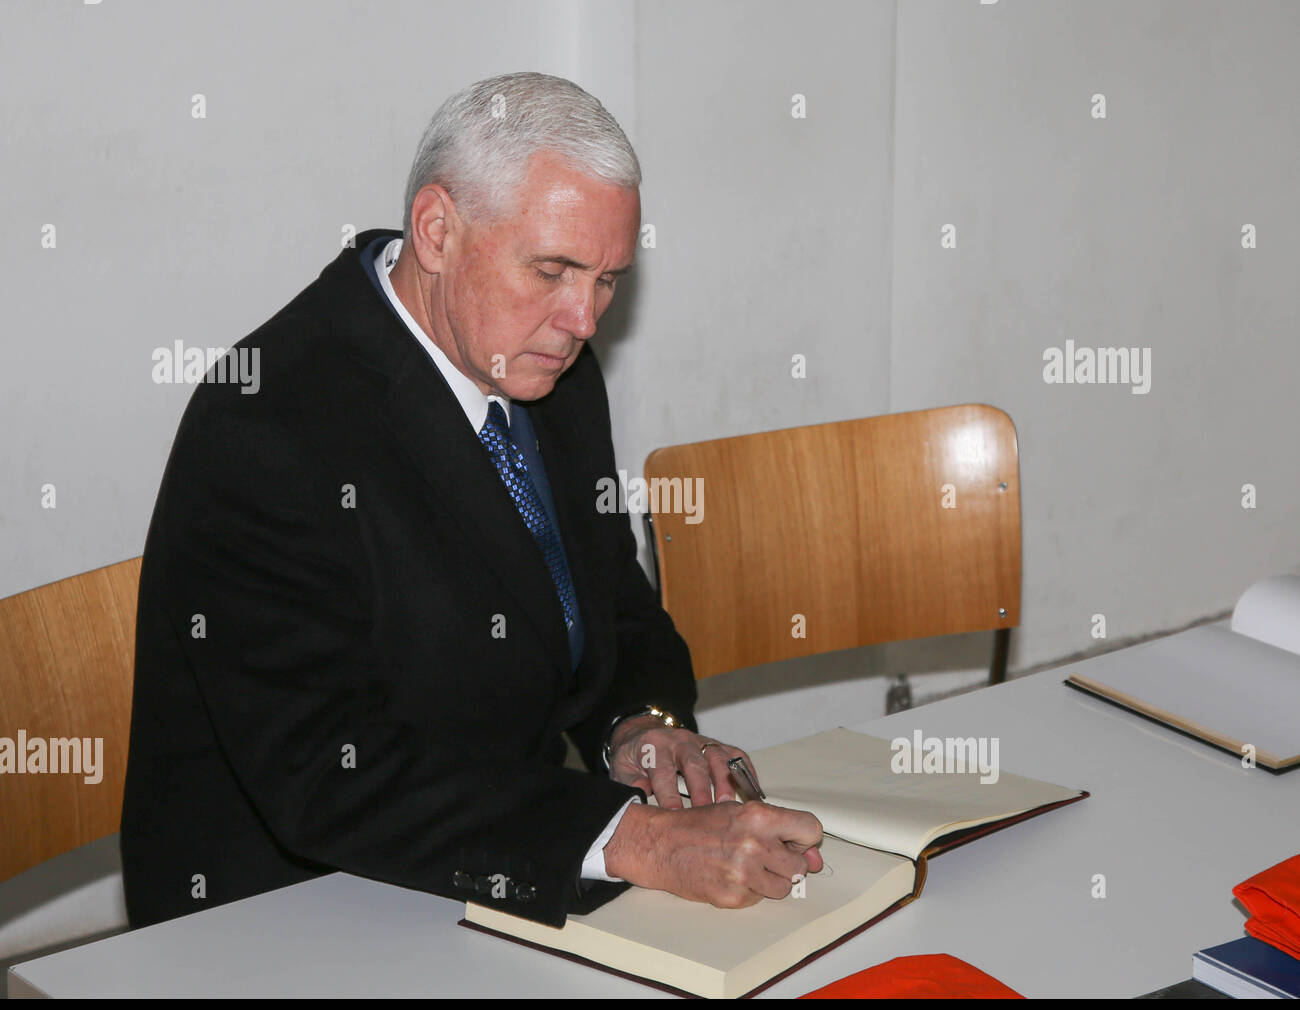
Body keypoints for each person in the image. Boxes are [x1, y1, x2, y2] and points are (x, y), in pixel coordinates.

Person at [121, 72, 823, 931]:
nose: (583, 318)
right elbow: (324, 771)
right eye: (554, 269)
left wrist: (641, 724)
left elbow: (604, 597)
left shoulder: (545, 365)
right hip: (291, 912)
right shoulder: (269, 424)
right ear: (438, 230)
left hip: (495, 861)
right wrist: (634, 840)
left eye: (607, 279)